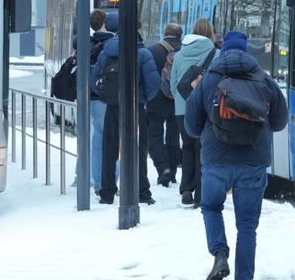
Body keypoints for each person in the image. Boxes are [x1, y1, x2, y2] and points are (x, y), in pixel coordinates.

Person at [184, 31, 288, 280]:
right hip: (253, 161)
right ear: (246, 52)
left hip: (216, 161)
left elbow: (191, 126)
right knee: (247, 226)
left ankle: (220, 253)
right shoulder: (264, 80)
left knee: (211, 207)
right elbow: (280, 122)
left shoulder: (208, 80)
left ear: (222, 51)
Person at [89, 11, 161, 205]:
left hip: (112, 108)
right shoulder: (143, 53)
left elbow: (94, 81)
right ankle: (142, 191)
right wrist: (142, 98)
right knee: (138, 150)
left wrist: (107, 96)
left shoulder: (106, 52)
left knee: (109, 150)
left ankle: (107, 192)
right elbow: (154, 83)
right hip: (136, 108)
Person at [170, 18, 217, 206]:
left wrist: (182, 101)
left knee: (188, 147)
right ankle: (200, 195)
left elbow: (173, 85)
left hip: (182, 109)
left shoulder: (179, 55)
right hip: (204, 110)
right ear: (210, 33)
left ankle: (186, 189)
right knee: (203, 149)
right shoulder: (215, 54)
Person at [145, 22, 183, 188]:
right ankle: (173, 171)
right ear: (180, 36)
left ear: (164, 33)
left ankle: (163, 168)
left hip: (156, 99)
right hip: (178, 99)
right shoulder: (185, 51)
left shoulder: (152, 50)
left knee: (154, 136)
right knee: (174, 135)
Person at [87, 9, 114, 193]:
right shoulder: (111, 44)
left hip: (93, 97)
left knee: (97, 139)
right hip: (108, 98)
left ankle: (98, 182)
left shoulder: (88, 43)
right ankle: (112, 181)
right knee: (114, 140)